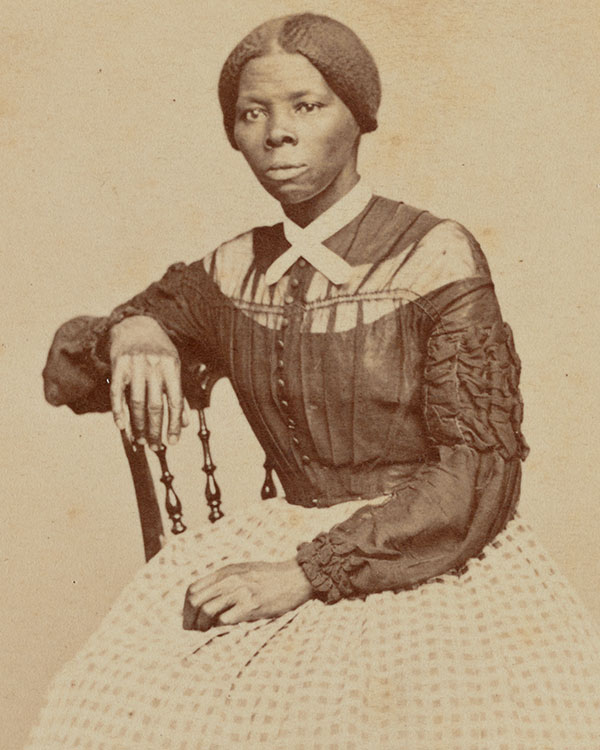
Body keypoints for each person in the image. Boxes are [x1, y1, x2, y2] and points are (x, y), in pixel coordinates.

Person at [29, 12, 600, 750]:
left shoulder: (432, 254)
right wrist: (131, 328)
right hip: (278, 534)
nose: (278, 134)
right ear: (232, 133)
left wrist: (304, 573)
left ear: (358, 117)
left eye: (308, 105)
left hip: (427, 554)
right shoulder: (230, 271)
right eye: (251, 113)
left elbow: (478, 472)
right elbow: (70, 376)